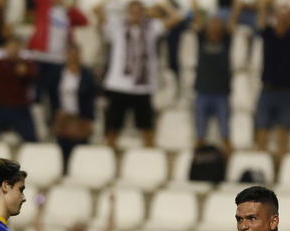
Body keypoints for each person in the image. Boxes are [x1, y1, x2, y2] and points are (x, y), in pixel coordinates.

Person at [94, 0, 182, 148]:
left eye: (139, 11)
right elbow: (96, 10)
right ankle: (109, 162)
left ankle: (149, 162)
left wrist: (162, 4)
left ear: (143, 12)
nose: (136, 14)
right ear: (128, 12)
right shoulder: (117, 26)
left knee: (147, 129)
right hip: (119, 85)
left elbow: (176, 18)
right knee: (112, 129)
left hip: (142, 86)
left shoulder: (151, 27)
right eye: (133, 11)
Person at [254, 0, 290, 164]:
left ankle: (280, 173)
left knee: (283, 138)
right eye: (280, 15)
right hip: (267, 90)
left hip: (286, 91)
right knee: (261, 135)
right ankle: (262, 171)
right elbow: (262, 10)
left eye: (286, 15)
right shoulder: (268, 33)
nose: (283, 18)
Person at [191, 0, 239, 156]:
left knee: (226, 135)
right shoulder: (201, 39)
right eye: (212, 23)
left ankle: (228, 166)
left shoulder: (226, 41)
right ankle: (198, 167)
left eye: (217, 23)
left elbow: (233, 21)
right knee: (199, 135)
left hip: (221, 94)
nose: (214, 26)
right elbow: (197, 19)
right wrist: (195, 5)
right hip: (202, 93)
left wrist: (237, 6)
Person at [27, 0, 89, 119]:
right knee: (37, 92)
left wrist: (71, 7)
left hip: (58, 59)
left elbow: (84, 21)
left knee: (55, 94)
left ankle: (54, 123)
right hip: (40, 56)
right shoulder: (44, 4)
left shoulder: (69, 13)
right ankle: (35, 121)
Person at [0, 35, 38, 143]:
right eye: (10, 47)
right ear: (6, 48)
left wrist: (26, 73)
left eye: (16, 47)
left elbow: (34, 76)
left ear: (20, 49)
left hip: (19, 107)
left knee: (31, 139)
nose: (13, 49)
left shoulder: (27, 64)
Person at [51, 42, 97, 170]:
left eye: (75, 54)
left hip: (81, 117)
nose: (72, 57)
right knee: (62, 150)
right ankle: (63, 171)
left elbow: (90, 97)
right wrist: (56, 111)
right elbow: (52, 94)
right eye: (70, 54)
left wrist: (86, 118)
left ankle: (81, 170)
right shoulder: (58, 73)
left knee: (80, 151)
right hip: (62, 116)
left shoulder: (87, 75)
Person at [33, 190, 115, 231]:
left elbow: (108, 229)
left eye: (80, 229)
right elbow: (38, 230)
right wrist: (39, 207)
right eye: (76, 229)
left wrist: (112, 204)